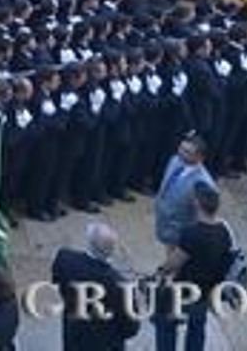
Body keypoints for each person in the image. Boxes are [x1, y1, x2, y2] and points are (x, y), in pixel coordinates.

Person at [154, 183, 233, 351]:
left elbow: (174, 263)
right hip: (205, 291)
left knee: (165, 324)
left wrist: (161, 270)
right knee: (197, 330)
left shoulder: (192, 233)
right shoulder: (224, 231)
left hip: (182, 290)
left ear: (197, 203)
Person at [50, 222, 137, 351]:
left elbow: (57, 281)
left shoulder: (64, 258)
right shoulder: (120, 285)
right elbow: (131, 328)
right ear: (111, 251)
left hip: (74, 337)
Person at [154, 133, 215, 250]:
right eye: (181, 148)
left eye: (187, 152)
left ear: (200, 158)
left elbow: (203, 217)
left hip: (181, 231)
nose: (181, 153)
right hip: (165, 222)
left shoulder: (204, 183)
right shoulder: (175, 160)